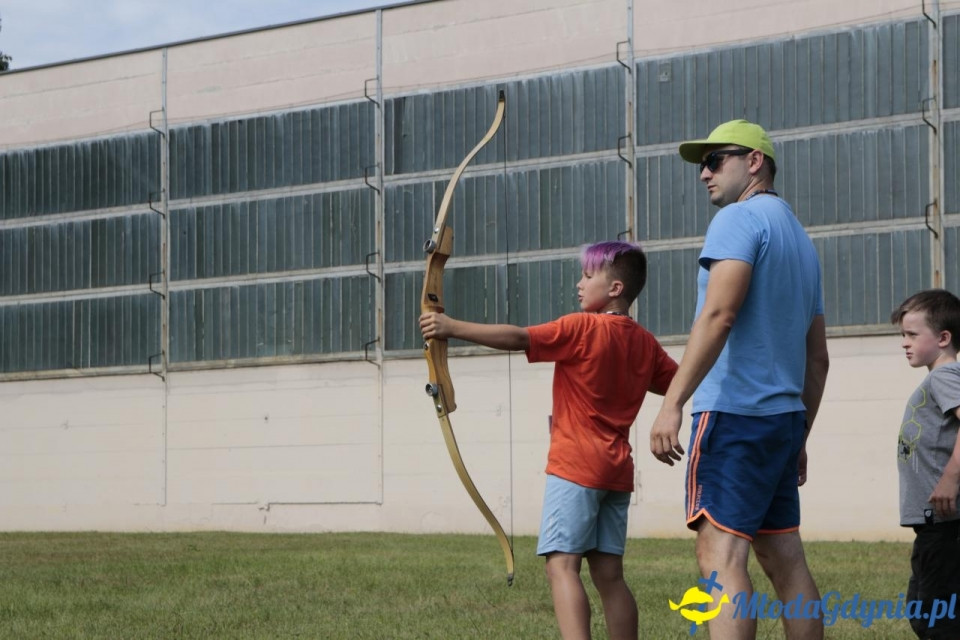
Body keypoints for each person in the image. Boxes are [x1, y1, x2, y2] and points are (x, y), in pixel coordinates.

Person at [420, 241, 677, 640]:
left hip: (575, 467)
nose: (579, 284)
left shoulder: (581, 327)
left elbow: (520, 337)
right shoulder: (645, 343)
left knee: (561, 566)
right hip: (616, 471)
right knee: (609, 575)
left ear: (614, 288)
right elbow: (680, 380)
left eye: (588, 276)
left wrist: (451, 327)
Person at [648, 119, 830, 639]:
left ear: (755, 162)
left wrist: (671, 403)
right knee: (786, 562)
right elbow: (817, 359)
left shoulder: (738, 220)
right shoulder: (800, 239)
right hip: (781, 422)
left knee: (719, 558)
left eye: (714, 160)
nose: (703, 173)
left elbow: (718, 315)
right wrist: (799, 436)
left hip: (733, 417)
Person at [891, 289, 960, 640]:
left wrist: (950, 478)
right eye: (903, 335)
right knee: (926, 610)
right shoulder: (939, 378)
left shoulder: (944, 377)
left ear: (944, 338)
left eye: (912, 335)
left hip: (944, 521)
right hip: (935, 523)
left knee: (934, 618)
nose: (904, 343)